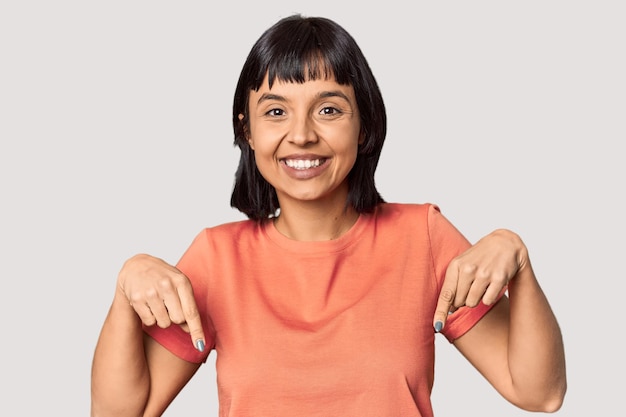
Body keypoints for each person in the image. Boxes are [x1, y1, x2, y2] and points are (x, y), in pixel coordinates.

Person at [90, 14, 566, 417]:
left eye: (329, 110)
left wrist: (517, 258)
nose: (301, 135)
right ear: (248, 130)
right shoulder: (217, 258)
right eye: (275, 111)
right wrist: (125, 285)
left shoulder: (422, 237)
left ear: (364, 126)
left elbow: (539, 392)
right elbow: (122, 411)